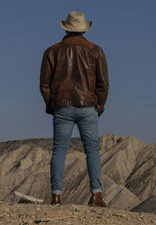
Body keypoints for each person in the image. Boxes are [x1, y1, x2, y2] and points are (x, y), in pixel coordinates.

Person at [39, 11, 109, 207]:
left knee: (59, 151)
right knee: (92, 150)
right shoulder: (96, 50)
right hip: (88, 107)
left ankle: (56, 197)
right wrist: (99, 106)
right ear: (83, 29)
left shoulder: (51, 51)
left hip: (62, 107)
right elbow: (103, 84)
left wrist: (51, 105)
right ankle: (96, 196)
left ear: (66, 28)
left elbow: (44, 84)